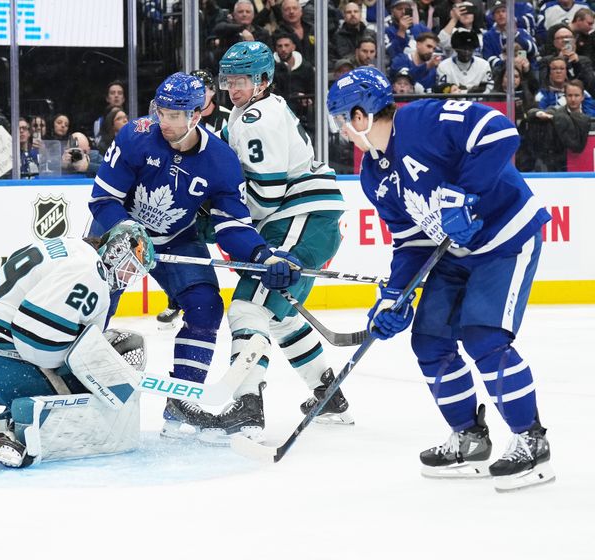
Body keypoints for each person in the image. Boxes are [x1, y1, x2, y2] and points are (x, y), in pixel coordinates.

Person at [326, 67, 555, 492]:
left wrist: (462, 193)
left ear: (359, 117)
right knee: (430, 341)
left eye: (340, 119)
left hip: (505, 239)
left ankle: (531, 440)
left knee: (484, 337)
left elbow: (500, 132)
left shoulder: (424, 119)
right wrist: (394, 297)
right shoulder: (374, 175)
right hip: (454, 254)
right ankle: (469, 437)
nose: (340, 131)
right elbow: (412, 242)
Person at [89, 71, 299, 438]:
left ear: (196, 116)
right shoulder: (136, 136)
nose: (164, 122)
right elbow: (103, 200)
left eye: (174, 115)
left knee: (206, 306)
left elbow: (231, 226)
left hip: (176, 238)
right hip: (121, 231)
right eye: (161, 112)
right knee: (96, 303)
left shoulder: (220, 160)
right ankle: (74, 385)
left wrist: (263, 255)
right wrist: (126, 232)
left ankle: (181, 400)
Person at [194, 41, 349, 445]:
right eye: (228, 80)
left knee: (248, 308)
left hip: (298, 218)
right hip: (306, 220)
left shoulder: (256, 118)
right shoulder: (246, 113)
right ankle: (327, 393)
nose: (233, 88)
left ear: (263, 80)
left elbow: (265, 195)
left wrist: (218, 222)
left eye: (242, 80)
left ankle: (247, 404)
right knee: (277, 315)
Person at [0, 226, 154, 467]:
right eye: (130, 267)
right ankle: (10, 427)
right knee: (78, 404)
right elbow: (34, 340)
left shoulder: (72, 246)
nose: (127, 277)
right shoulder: (90, 272)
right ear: (116, 252)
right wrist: (83, 370)